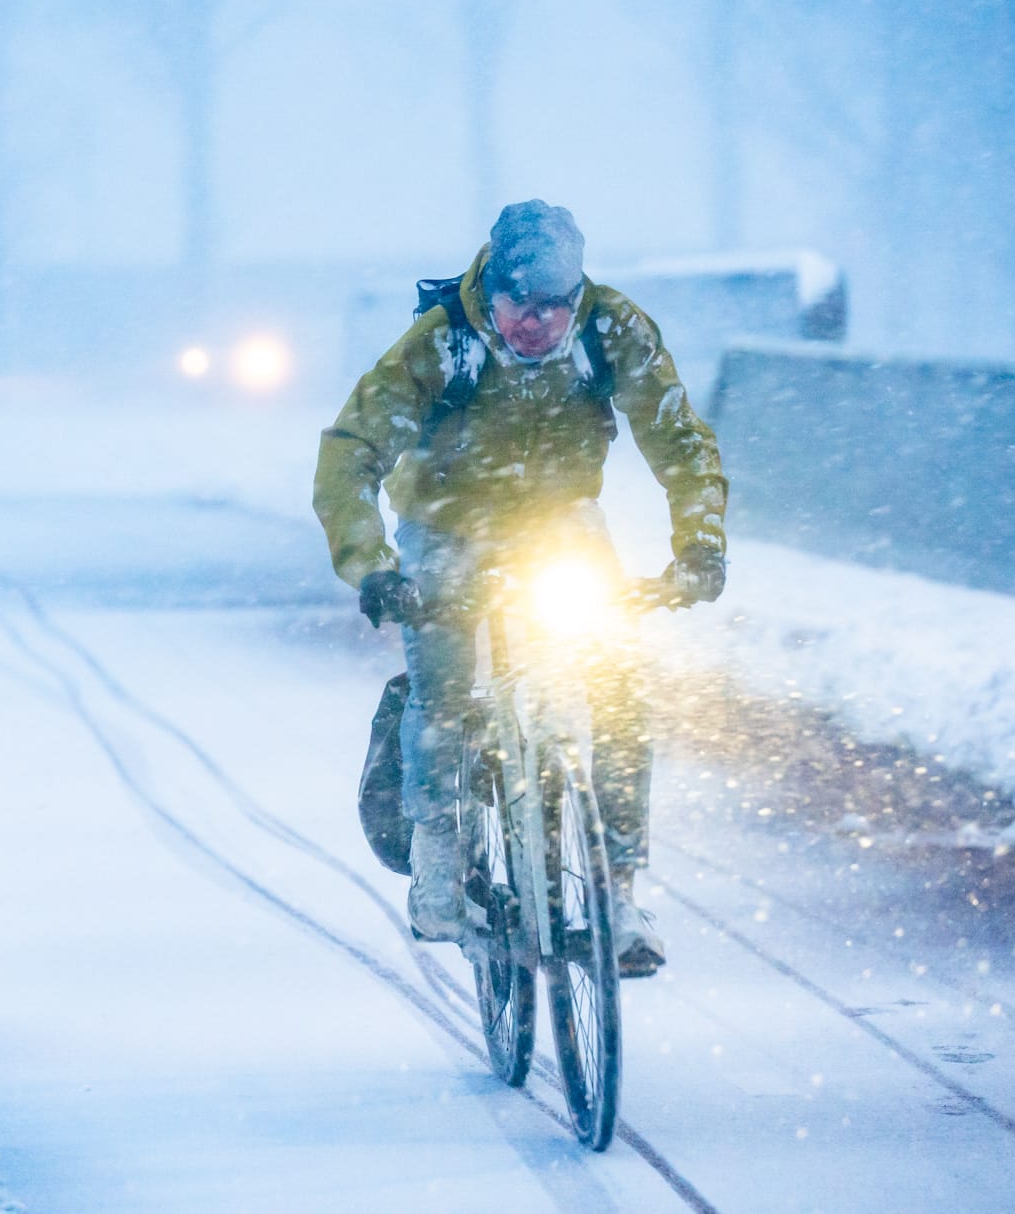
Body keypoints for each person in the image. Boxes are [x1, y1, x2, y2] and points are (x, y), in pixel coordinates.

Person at [312, 200, 727, 976]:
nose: (535, 323)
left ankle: (618, 893)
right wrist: (374, 566)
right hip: (446, 523)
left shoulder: (612, 329)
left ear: (577, 296)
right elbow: (349, 453)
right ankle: (439, 858)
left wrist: (699, 544)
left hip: (559, 523)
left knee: (616, 687)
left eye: (554, 306)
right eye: (518, 304)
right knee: (443, 686)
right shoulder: (441, 343)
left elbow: (680, 441)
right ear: (489, 290)